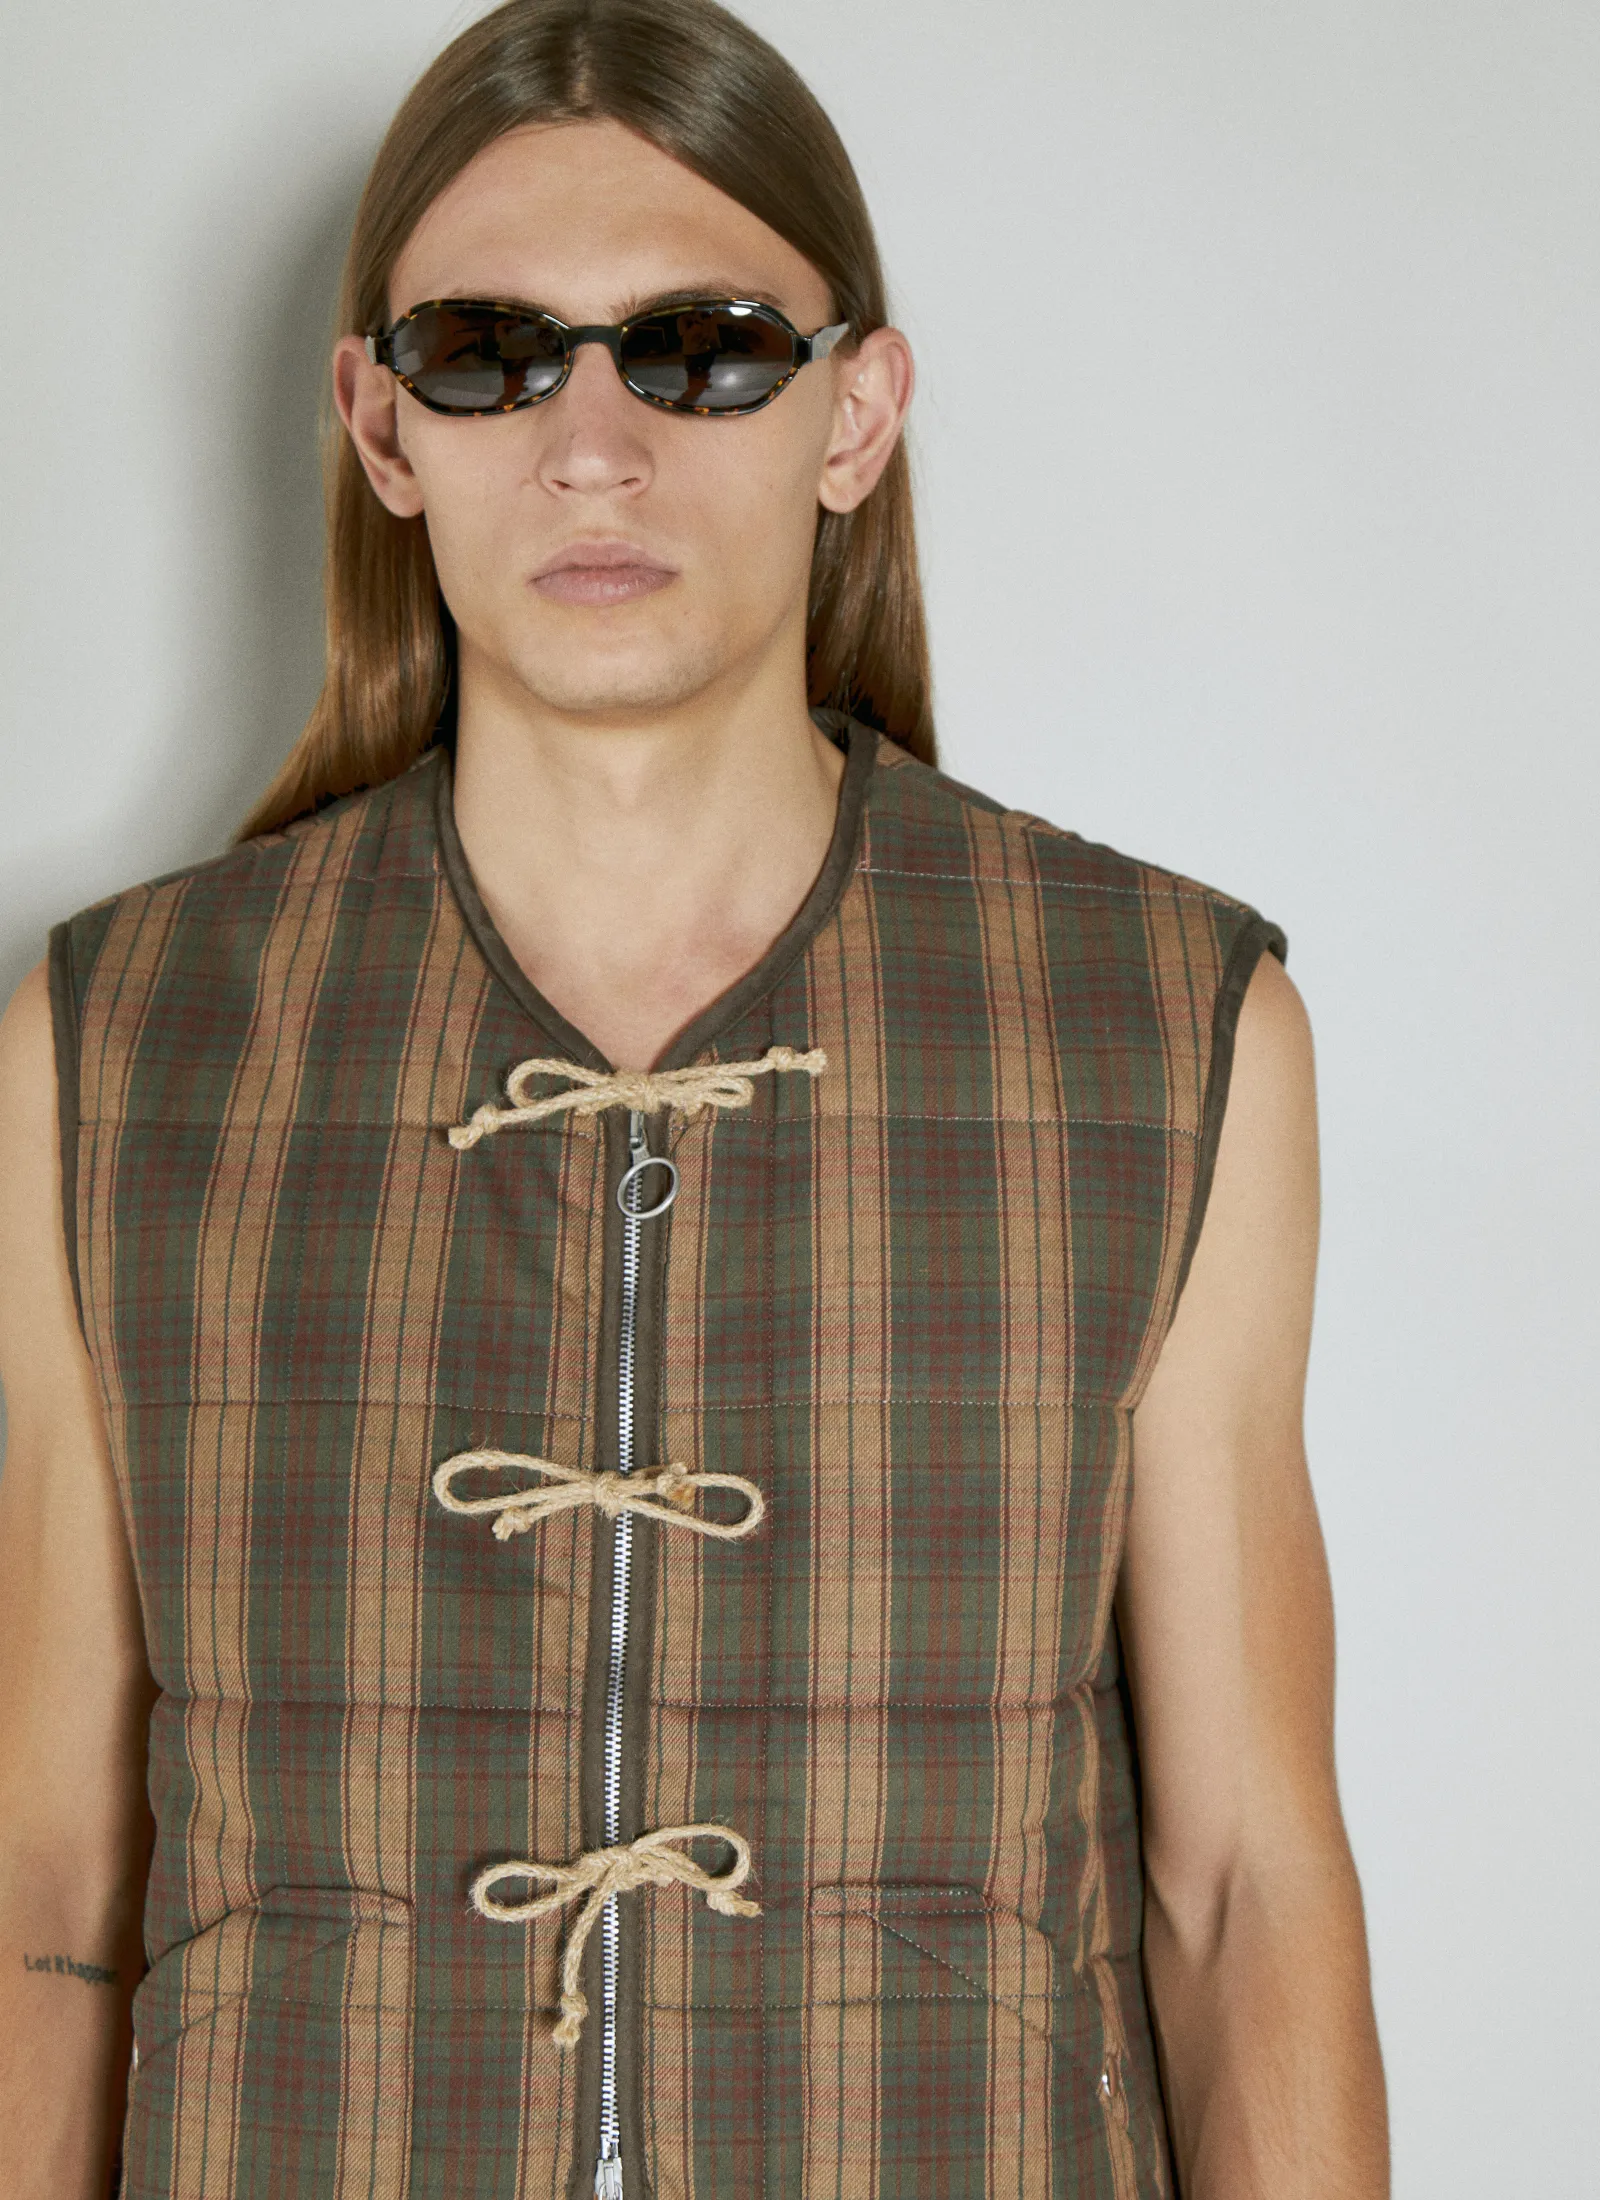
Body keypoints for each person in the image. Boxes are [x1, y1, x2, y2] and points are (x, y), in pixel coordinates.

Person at [0, 2, 1389, 2194]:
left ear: (859, 412)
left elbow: (1242, 1889)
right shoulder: (124, 1042)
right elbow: (49, 1889)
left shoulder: (1156, 1026)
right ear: (381, 424)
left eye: (703, 351)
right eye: (488, 354)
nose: (591, 447)